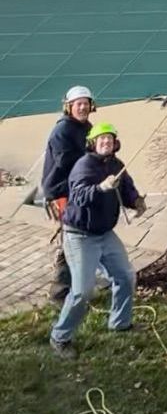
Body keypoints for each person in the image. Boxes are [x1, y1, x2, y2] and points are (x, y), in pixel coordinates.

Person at [50, 120, 146, 358]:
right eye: (102, 139)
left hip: (104, 233)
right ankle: (60, 337)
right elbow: (79, 196)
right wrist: (101, 188)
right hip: (79, 235)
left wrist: (136, 201)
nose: (106, 142)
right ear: (93, 143)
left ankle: (120, 323)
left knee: (125, 276)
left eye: (110, 139)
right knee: (82, 292)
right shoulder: (84, 166)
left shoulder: (116, 165)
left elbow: (127, 188)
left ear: (115, 143)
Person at [39, 84, 96, 303]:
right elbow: (67, 162)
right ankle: (60, 291)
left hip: (75, 188)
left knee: (82, 234)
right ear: (69, 107)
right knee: (71, 237)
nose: (83, 108)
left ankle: (77, 279)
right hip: (61, 191)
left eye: (86, 104)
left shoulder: (86, 127)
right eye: (78, 104)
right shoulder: (62, 130)